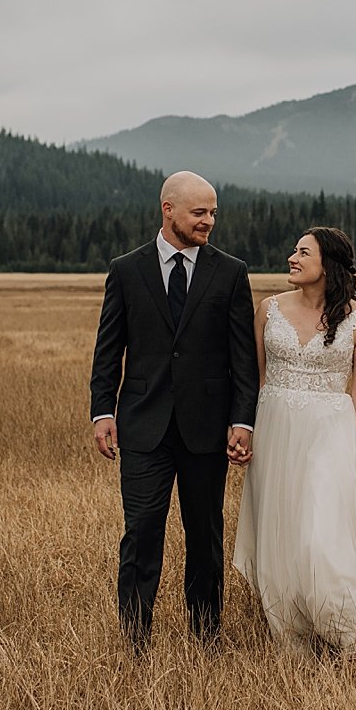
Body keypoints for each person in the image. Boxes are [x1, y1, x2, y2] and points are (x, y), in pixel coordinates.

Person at [233, 226, 356, 655]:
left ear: (328, 264)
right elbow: (256, 380)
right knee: (279, 530)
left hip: (330, 435)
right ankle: (291, 633)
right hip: (276, 430)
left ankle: (348, 630)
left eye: (303, 252)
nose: (292, 258)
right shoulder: (268, 310)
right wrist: (245, 430)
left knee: (318, 534)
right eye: (294, 250)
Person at [90, 171, 260, 652]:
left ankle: (206, 638)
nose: (209, 222)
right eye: (199, 213)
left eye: (213, 213)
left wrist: (242, 421)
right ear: (168, 210)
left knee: (204, 537)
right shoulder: (126, 270)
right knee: (141, 533)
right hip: (142, 426)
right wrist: (102, 410)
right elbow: (108, 349)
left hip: (206, 429)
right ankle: (133, 641)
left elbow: (242, 357)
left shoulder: (230, 271)